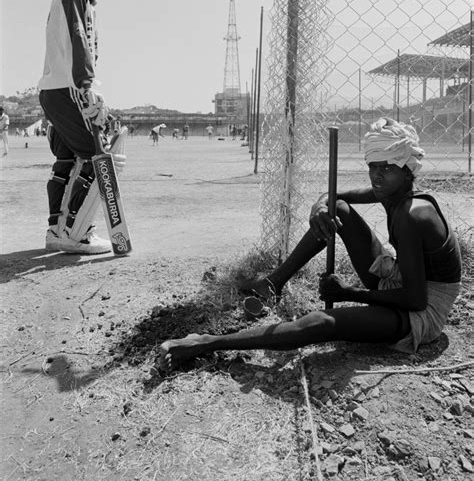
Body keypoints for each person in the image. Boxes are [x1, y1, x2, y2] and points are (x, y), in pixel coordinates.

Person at [160, 118, 462, 370]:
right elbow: (333, 197)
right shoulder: (390, 191)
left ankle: (206, 342)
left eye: (387, 168)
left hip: (422, 311)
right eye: (372, 166)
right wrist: (319, 207)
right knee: (337, 211)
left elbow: (416, 299)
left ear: (407, 170)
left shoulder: (414, 214)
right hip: (400, 282)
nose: (376, 175)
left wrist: (348, 293)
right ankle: (273, 283)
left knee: (322, 323)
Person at [38, 0, 122, 255]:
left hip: (57, 88)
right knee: (92, 156)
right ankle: (75, 232)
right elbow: (78, 39)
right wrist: (87, 86)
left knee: (65, 160)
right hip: (68, 88)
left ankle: (56, 229)